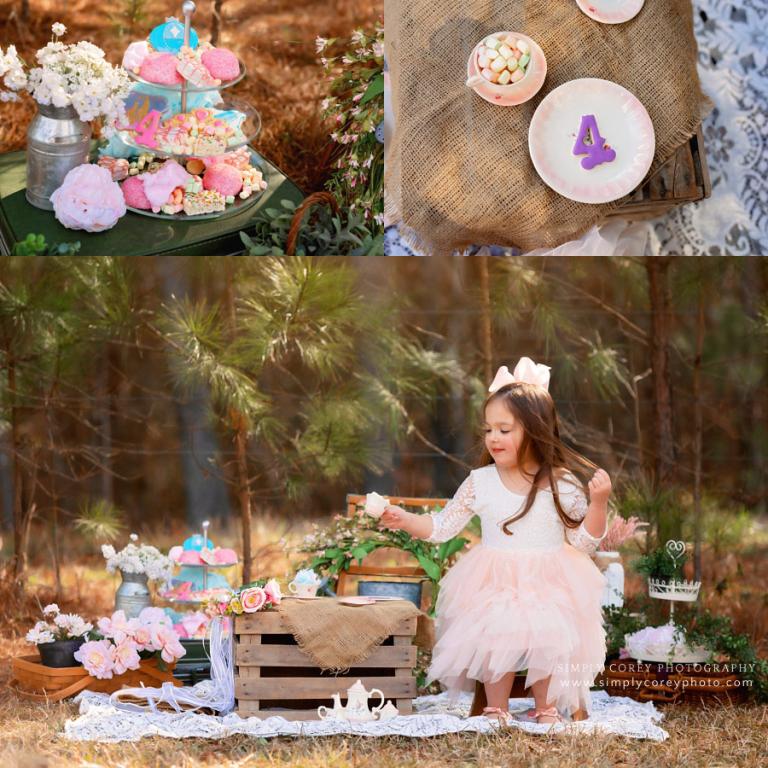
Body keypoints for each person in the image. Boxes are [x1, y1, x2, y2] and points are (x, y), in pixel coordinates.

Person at [379, 357, 611, 726]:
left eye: (505, 429)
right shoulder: (480, 482)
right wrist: (405, 519)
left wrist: (598, 504)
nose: (493, 438)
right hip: (494, 577)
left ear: (535, 431)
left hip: (549, 578)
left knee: (548, 632)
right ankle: (495, 707)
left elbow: (584, 542)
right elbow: (442, 527)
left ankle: (546, 707)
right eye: (489, 430)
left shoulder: (561, 484)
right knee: (493, 631)